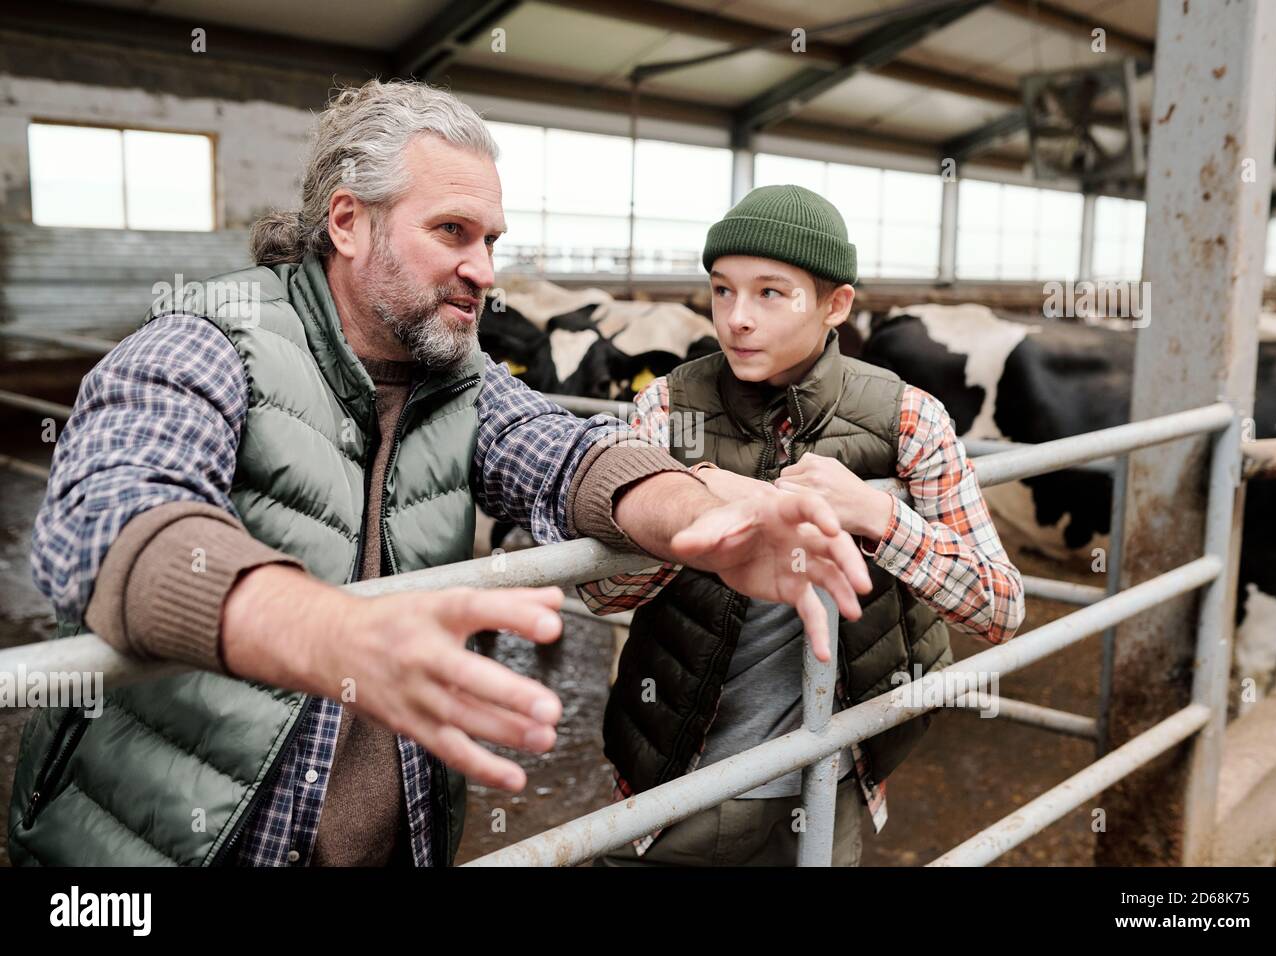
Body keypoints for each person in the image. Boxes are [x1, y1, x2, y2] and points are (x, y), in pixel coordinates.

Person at [7, 85, 874, 867]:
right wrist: (333, 633)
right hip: (179, 843)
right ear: (347, 223)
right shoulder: (206, 341)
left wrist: (695, 516)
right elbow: (109, 514)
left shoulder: (457, 374)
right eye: (452, 232)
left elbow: (565, 452)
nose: (486, 272)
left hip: (402, 837)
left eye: (491, 240)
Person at [582, 184, 1026, 866]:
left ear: (836, 306)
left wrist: (880, 515)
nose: (737, 320)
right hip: (676, 767)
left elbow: (999, 606)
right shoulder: (667, 407)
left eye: (770, 293)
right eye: (722, 290)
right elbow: (600, 593)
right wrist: (699, 508)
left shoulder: (910, 419)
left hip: (830, 774)